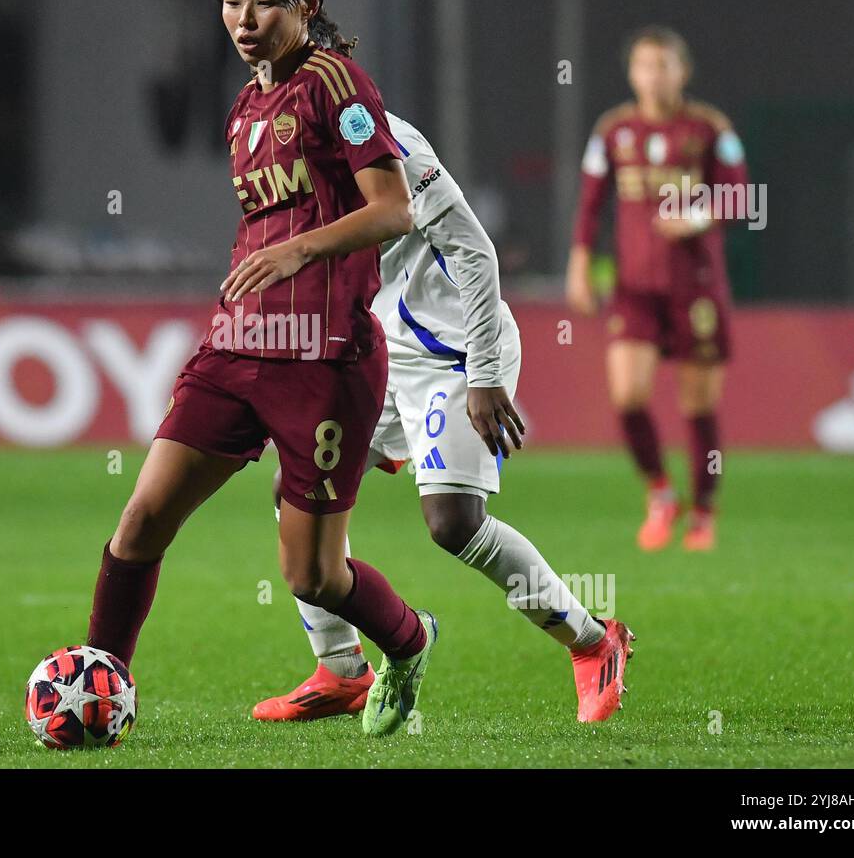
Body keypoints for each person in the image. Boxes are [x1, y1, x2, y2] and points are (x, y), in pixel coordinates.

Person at [83, 0, 435, 736]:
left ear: (306, 5)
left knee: (315, 576)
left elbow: (392, 208)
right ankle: (102, 687)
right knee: (140, 522)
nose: (243, 20)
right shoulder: (246, 104)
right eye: (231, 3)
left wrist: (298, 253)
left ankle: (410, 642)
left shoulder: (336, 86)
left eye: (264, 3)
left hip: (324, 361)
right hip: (236, 349)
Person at [252, 109, 635, 724]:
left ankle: (593, 643)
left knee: (453, 524)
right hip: (378, 353)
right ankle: (342, 669)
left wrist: (484, 372)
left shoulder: (384, 139)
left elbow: (475, 250)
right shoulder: (273, 140)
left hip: (455, 354)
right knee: (296, 490)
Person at [566, 26, 749, 551]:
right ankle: (661, 492)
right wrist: (580, 262)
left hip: (697, 289)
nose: (654, 75)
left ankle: (704, 514)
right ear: (632, 73)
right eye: (645, 66)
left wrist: (696, 217)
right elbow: (590, 204)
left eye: (664, 65)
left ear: (683, 72)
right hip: (634, 288)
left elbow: (741, 198)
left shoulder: (710, 128)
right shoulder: (614, 130)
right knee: (627, 396)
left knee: (698, 406)